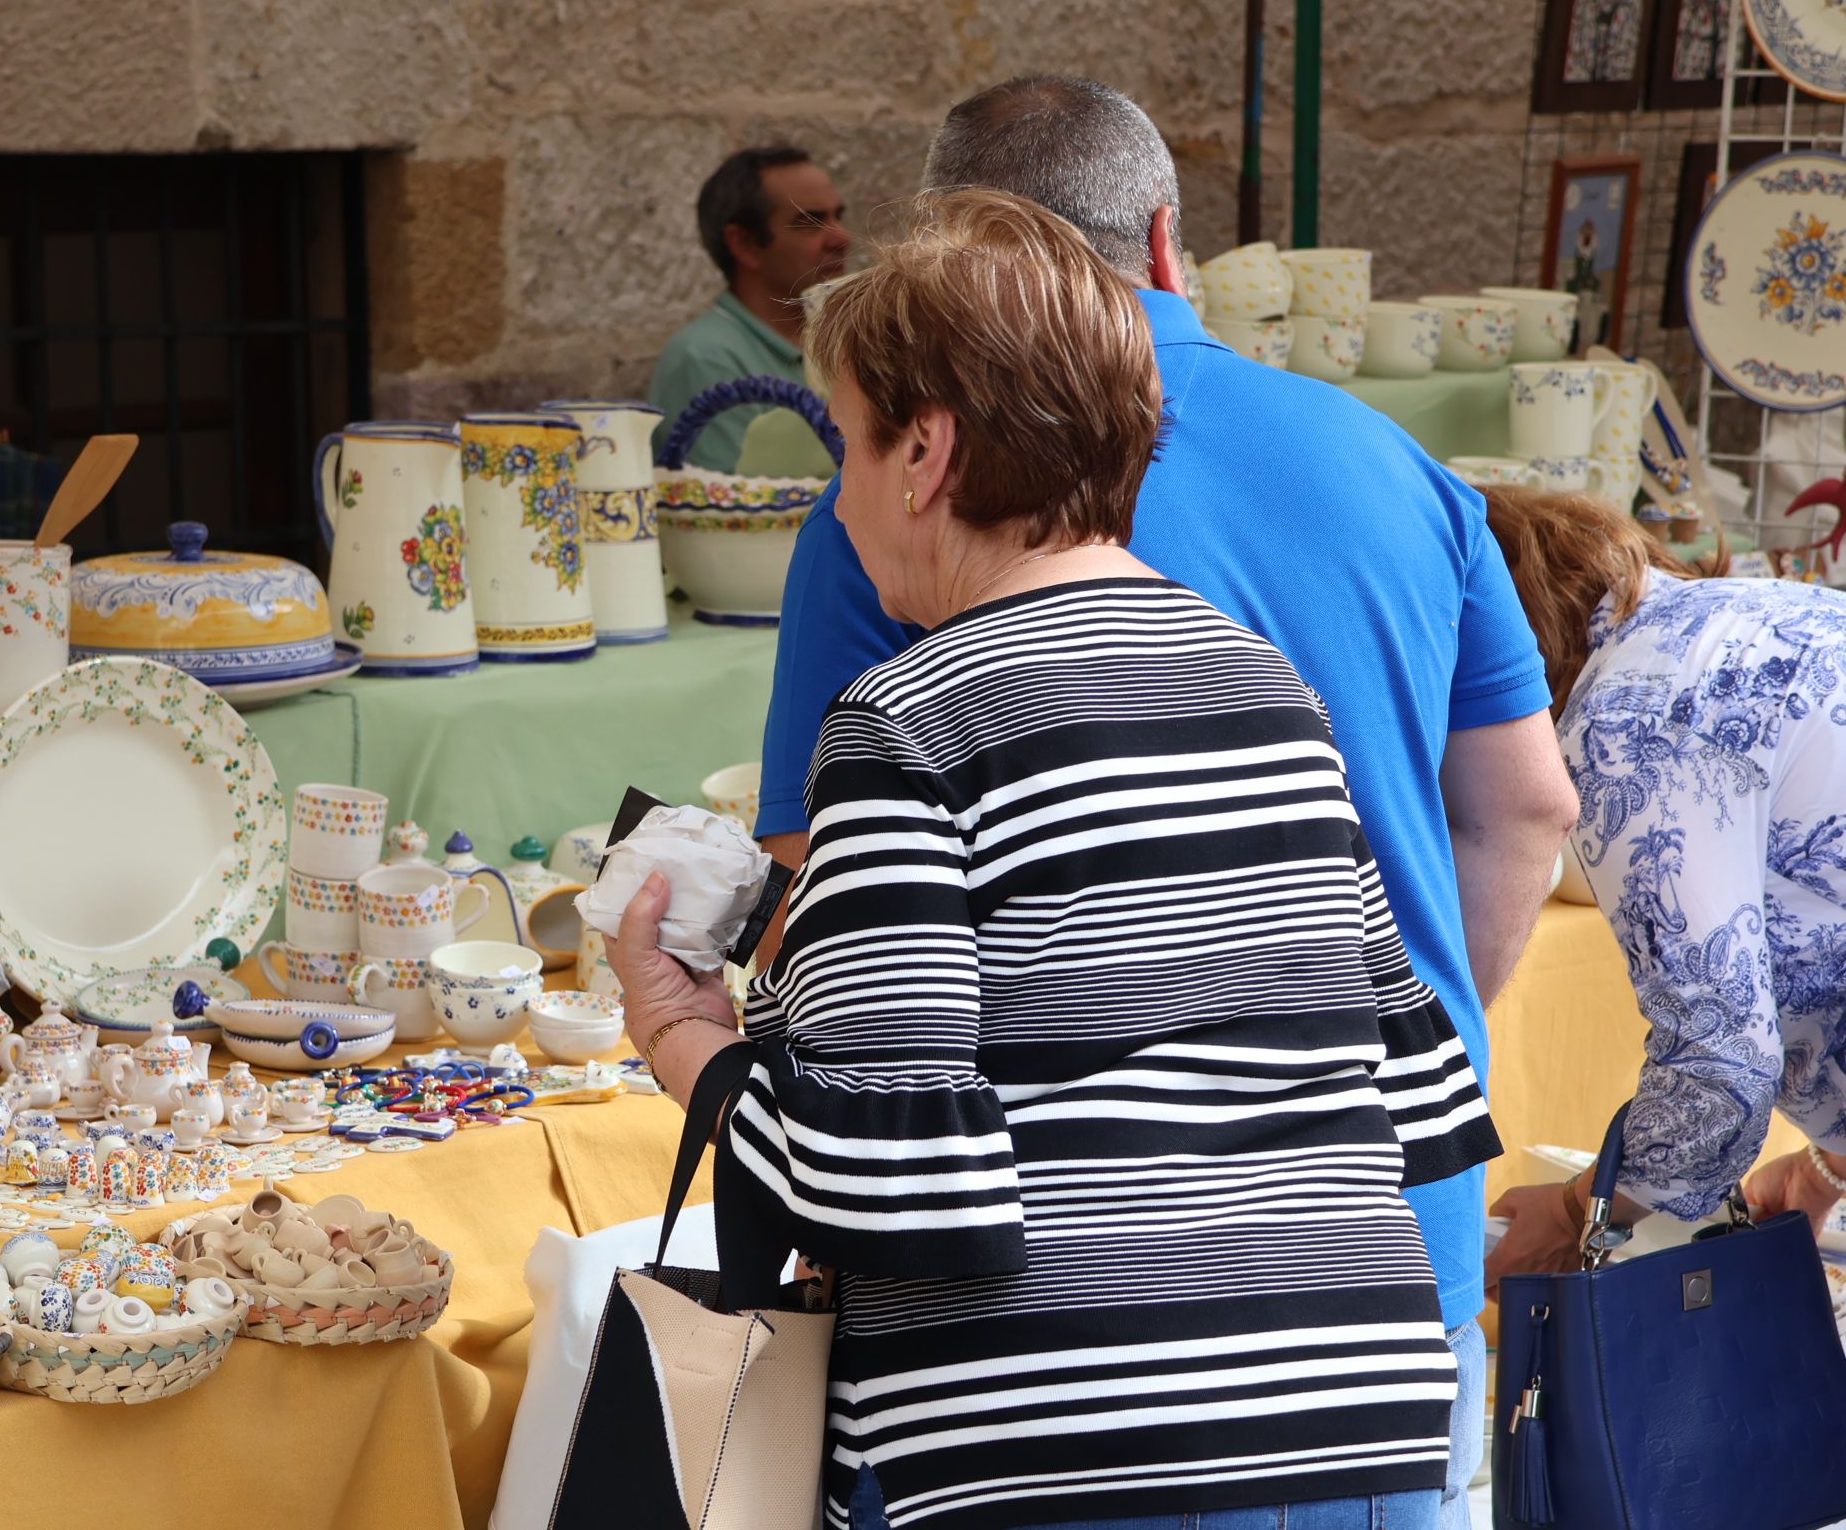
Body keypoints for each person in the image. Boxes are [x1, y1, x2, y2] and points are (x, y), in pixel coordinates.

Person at [754, 75, 1577, 1530]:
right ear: (1163, 238)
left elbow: (850, 998)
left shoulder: (902, 604)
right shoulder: (1379, 484)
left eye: (851, 444)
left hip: (1057, 1380)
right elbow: (1520, 816)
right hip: (1367, 1284)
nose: (847, 484)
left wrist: (695, 1041)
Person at [1477, 488, 1846, 1273]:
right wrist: (1827, 1169)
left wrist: (1580, 1211)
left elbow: (1719, 1064)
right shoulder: (1750, 609)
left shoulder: (1626, 721)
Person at [647, 146, 851, 471]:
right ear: (744, 244)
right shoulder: (704, 357)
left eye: (837, 216)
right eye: (809, 222)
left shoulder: (842, 340)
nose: (841, 237)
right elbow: (737, 512)